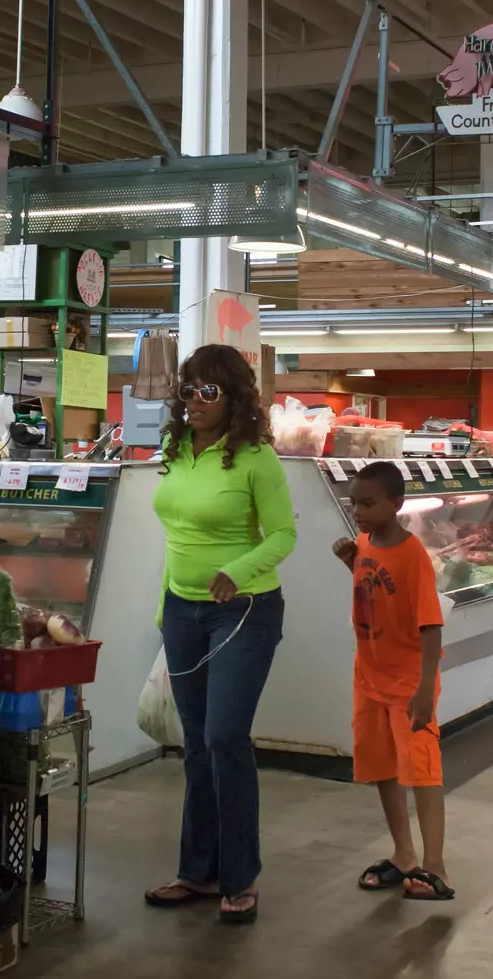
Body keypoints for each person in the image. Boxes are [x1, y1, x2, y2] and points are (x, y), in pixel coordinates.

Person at [145, 344, 297, 925]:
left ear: (235, 397)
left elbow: (283, 537)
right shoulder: (174, 449)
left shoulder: (258, 459)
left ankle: (240, 876)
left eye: (209, 391)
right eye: (188, 390)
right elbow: (176, 536)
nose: (196, 402)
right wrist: (166, 606)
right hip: (183, 612)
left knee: (226, 737)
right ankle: (198, 871)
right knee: (196, 743)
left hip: (245, 611)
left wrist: (237, 571)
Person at [332, 461, 451, 902]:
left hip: (407, 682)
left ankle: (435, 865)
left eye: (368, 503)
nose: (358, 511)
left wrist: (424, 688)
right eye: (354, 502)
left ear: (396, 504)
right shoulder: (364, 543)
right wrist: (352, 562)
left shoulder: (413, 555)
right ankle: (404, 854)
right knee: (382, 766)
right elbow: (375, 593)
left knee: (421, 770)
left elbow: (430, 625)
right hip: (369, 676)